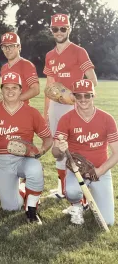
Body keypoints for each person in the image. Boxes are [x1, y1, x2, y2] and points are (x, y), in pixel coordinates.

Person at [0, 72, 52, 224]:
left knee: (35, 168)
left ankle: (31, 210)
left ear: (21, 90)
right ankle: (23, 189)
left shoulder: (31, 112)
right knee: (11, 207)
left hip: (23, 159)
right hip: (0, 160)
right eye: (6, 87)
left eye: (14, 87)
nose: (10, 91)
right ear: (1, 90)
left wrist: (41, 151)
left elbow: (48, 138)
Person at [43, 13, 97, 200]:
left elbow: (93, 80)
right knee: (58, 150)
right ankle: (61, 189)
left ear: (69, 29)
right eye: (55, 29)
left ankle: (81, 194)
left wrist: (75, 97)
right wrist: (46, 112)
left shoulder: (79, 51)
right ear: (51, 30)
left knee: (74, 149)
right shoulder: (50, 55)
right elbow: (49, 87)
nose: (59, 32)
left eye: (63, 28)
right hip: (55, 108)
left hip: (73, 107)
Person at [52, 79, 118, 226]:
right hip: (77, 170)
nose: (83, 99)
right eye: (79, 96)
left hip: (99, 170)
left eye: (87, 96)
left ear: (93, 96)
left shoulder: (107, 119)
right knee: (72, 191)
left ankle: (92, 196)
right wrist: (60, 150)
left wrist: (100, 171)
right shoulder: (66, 119)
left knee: (107, 221)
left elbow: (117, 152)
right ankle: (76, 205)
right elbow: (55, 153)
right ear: (74, 97)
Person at [0, 32, 40, 104]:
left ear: (19, 46)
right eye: (4, 46)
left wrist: (14, 100)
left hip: (22, 110)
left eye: (11, 46)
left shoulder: (26, 65)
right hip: (7, 110)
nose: (7, 49)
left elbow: (35, 89)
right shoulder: (4, 67)